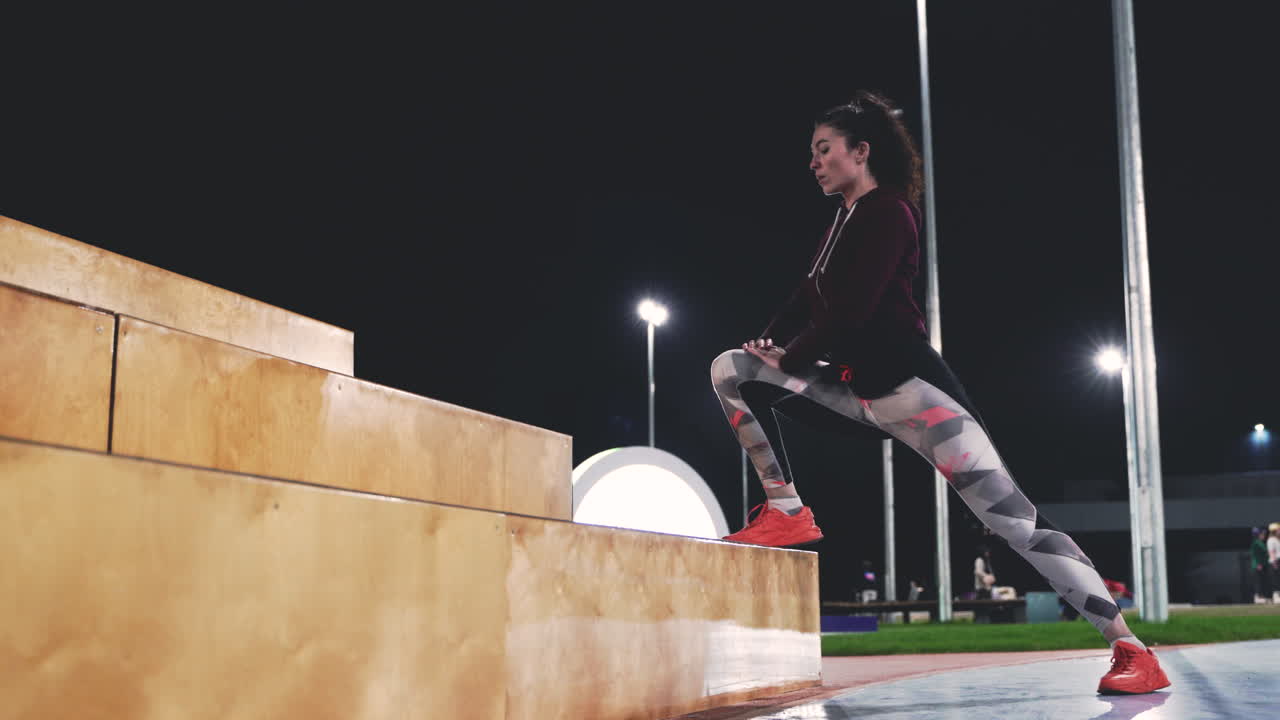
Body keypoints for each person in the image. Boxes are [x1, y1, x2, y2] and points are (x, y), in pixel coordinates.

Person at [708, 90, 1169, 695]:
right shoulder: (843, 221)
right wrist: (770, 342)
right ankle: (787, 510)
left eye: (824, 150)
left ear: (861, 152)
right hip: (863, 397)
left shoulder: (888, 213)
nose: (814, 162)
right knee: (732, 369)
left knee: (1018, 526)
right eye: (812, 153)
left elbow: (852, 312)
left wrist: (792, 356)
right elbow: (807, 296)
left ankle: (1133, 652)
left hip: (921, 400)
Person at [1251, 527, 1271, 604]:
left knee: (1263, 581)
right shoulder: (1256, 543)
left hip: (1263, 565)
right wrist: (1258, 564)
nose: (1264, 536)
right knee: (1258, 582)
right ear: (1258, 535)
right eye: (1262, 534)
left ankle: (1261, 596)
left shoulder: (1261, 542)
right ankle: (1258, 597)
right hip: (1258, 566)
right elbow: (1255, 555)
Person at [1269, 522, 1280, 603]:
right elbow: (1271, 552)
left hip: (1278, 560)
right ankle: (1276, 596)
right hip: (1275, 561)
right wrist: (1274, 562)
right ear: (1274, 531)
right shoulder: (1271, 540)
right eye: (1278, 529)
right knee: (1276, 580)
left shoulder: (1277, 539)